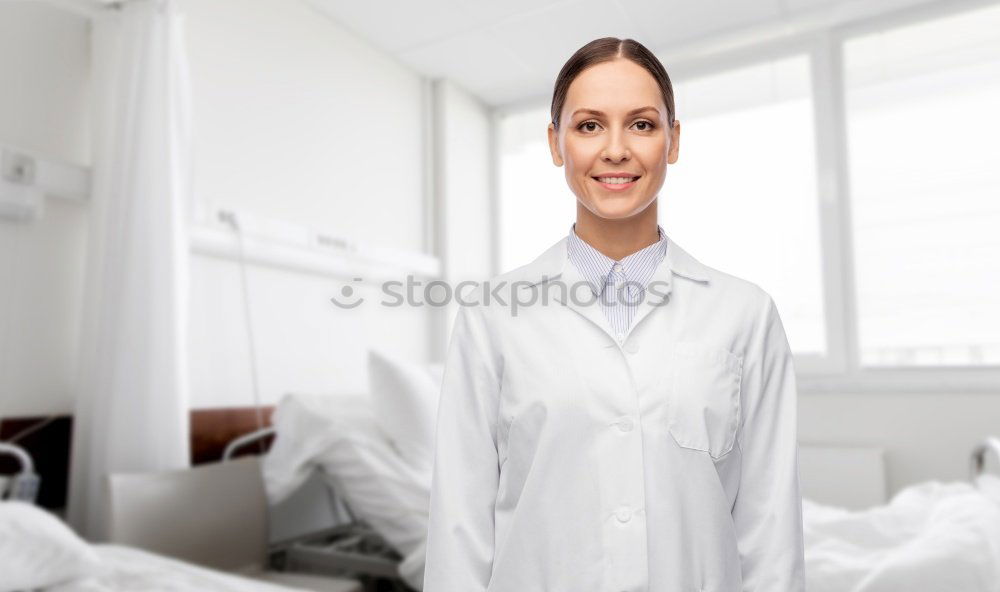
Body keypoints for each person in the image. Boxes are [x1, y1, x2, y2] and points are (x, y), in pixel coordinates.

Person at [423, 37, 805, 592]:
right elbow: (459, 521)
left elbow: (771, 527)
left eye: (643, 125)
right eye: (588, 126)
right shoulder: (491, 316)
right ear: (556, 144)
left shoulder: (745, 314)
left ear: (673, 142)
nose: (616, 149)